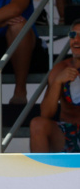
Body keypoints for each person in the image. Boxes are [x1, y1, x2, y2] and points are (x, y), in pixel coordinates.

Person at [30, 21, 80, 152]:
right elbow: (46, 113)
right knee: (37, 124)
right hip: (67, 132)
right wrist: (58, 82)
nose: (76, 40)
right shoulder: (61, 68)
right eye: (73, 35)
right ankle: (42, 172)